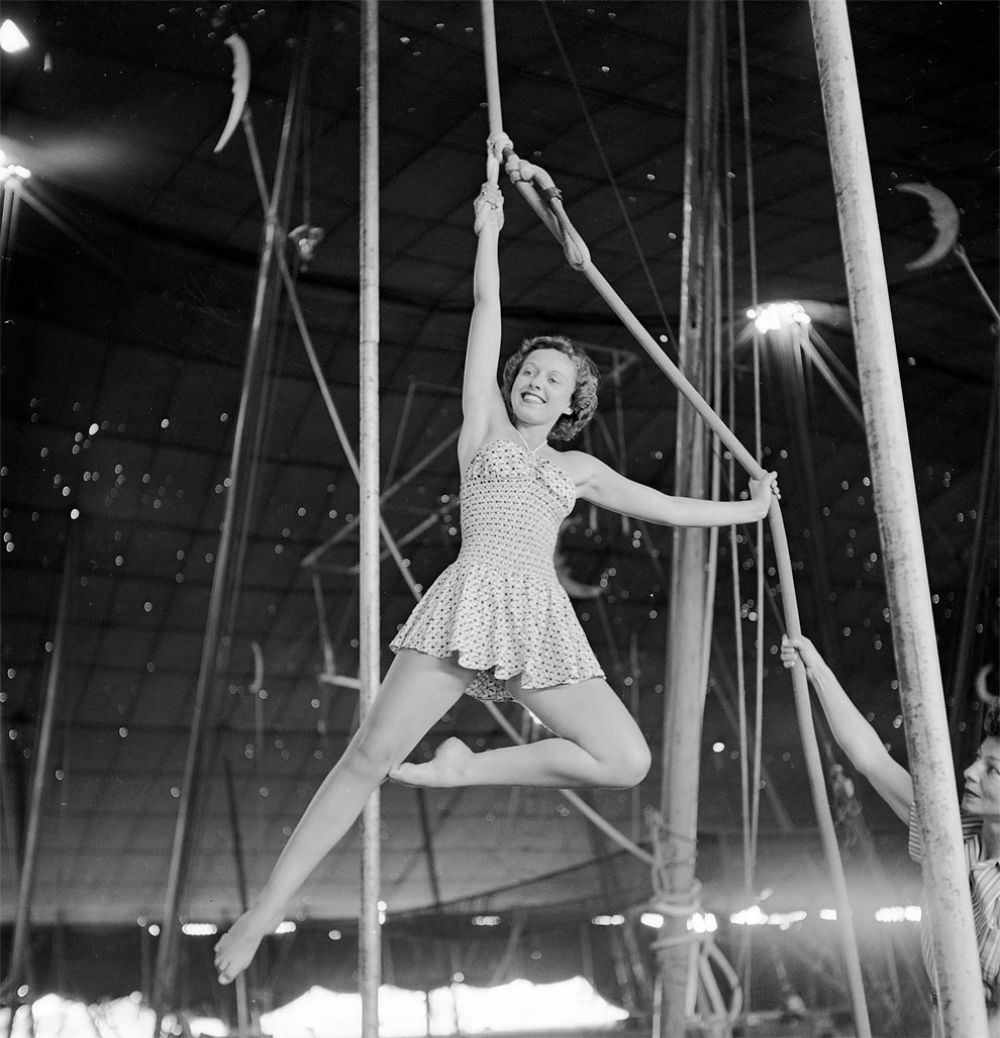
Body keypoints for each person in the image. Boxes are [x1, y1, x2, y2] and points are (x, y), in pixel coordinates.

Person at [213, 137, 778, 985]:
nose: (539, 385)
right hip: (471, 599)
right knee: (366, 758)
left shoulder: (576, 470)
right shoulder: (482, 431)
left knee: (625, 762)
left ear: (572, 405)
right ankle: (264, 912)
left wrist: (752, 506)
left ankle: (466, 769)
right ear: (514, 380)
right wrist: (489, 227)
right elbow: (487, 310)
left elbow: (666, 509)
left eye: (556, 383)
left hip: (538, 621)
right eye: (533, 372)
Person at [780, 633, 1000, 1034]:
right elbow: (873, 760)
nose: (970, 773)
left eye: (993, 770)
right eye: (979, 761)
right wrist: (816, 668)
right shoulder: (950, 834)